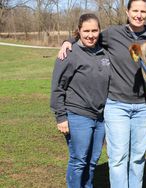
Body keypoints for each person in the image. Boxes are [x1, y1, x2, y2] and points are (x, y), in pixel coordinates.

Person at [57, 1, 146, 187]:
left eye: (143, 11)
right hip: (117, 105)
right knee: (118, 157)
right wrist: (68, 41)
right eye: (135, 11)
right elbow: (89, 35)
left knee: (137, 158)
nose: (139, 15)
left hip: (144, 107)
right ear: (127, 11)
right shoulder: (113, 34)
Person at [50, 13, 110, 188]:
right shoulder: (70, 53)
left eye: (94, 30)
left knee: (92, 161)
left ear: (100, 31)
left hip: (100, 117)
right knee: (79, 161)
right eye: (86, 31)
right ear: (79, 31)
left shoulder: (104, 51)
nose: (90, 35)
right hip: (78, 115)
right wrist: (61, 117)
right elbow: (57, 87)